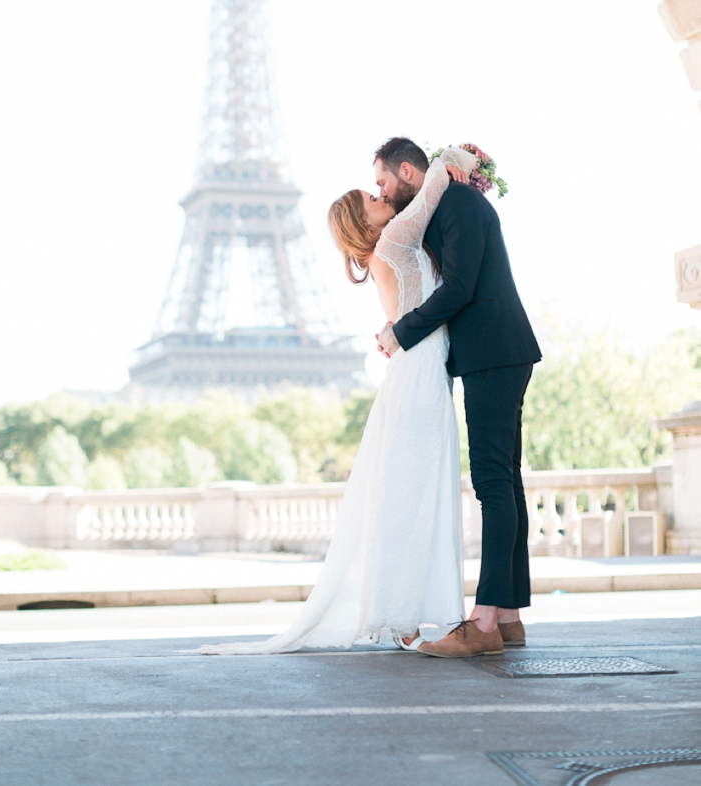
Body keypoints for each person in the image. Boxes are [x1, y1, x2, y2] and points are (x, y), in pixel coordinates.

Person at [199, 146, 474, 655]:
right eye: (371, 196)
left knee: (411, 493)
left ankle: (401, 614)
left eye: (379, 189)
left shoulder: (385, 249)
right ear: (359, 217)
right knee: (414, 494)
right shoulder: (394, 237)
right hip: (417, 376)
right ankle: (402, 617)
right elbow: (433, 184)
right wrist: (461, 156)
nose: (380, 195)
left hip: (418, 373)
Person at [375, 136, 541, 658]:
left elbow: (460, 287)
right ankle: (508, 616)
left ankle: (484, 621)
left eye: (382, 182)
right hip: (498, 350)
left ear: (407, 170)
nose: (381, 191)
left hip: (492, 350)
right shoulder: (449, 204)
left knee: (493, 484)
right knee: (504, 482)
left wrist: (402, 332)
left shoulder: (459, 203)